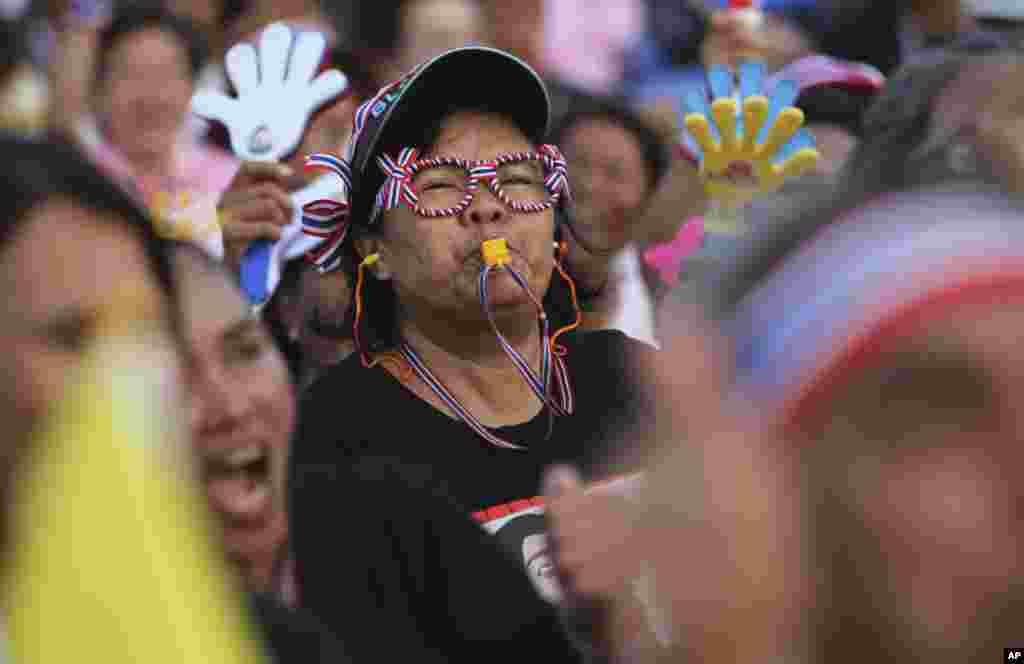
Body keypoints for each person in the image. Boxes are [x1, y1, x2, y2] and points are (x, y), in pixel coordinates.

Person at [285, 47, 651, 661]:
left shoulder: (633, 376)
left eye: (517, 179)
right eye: (439, 186)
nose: (486, 206)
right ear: (375, 250)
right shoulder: (340, 438)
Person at [79, 4, 237, 255]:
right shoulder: (77, 188)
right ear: (98, 89)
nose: (152, 96)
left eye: (166, 74)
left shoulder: (228, 181)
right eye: (133, 74)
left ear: (191, 87)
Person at [549, 99, 672, 345]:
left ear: (649, 198)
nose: (589, 185)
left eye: (614, 173)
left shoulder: (643, 326)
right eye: (578, 163)